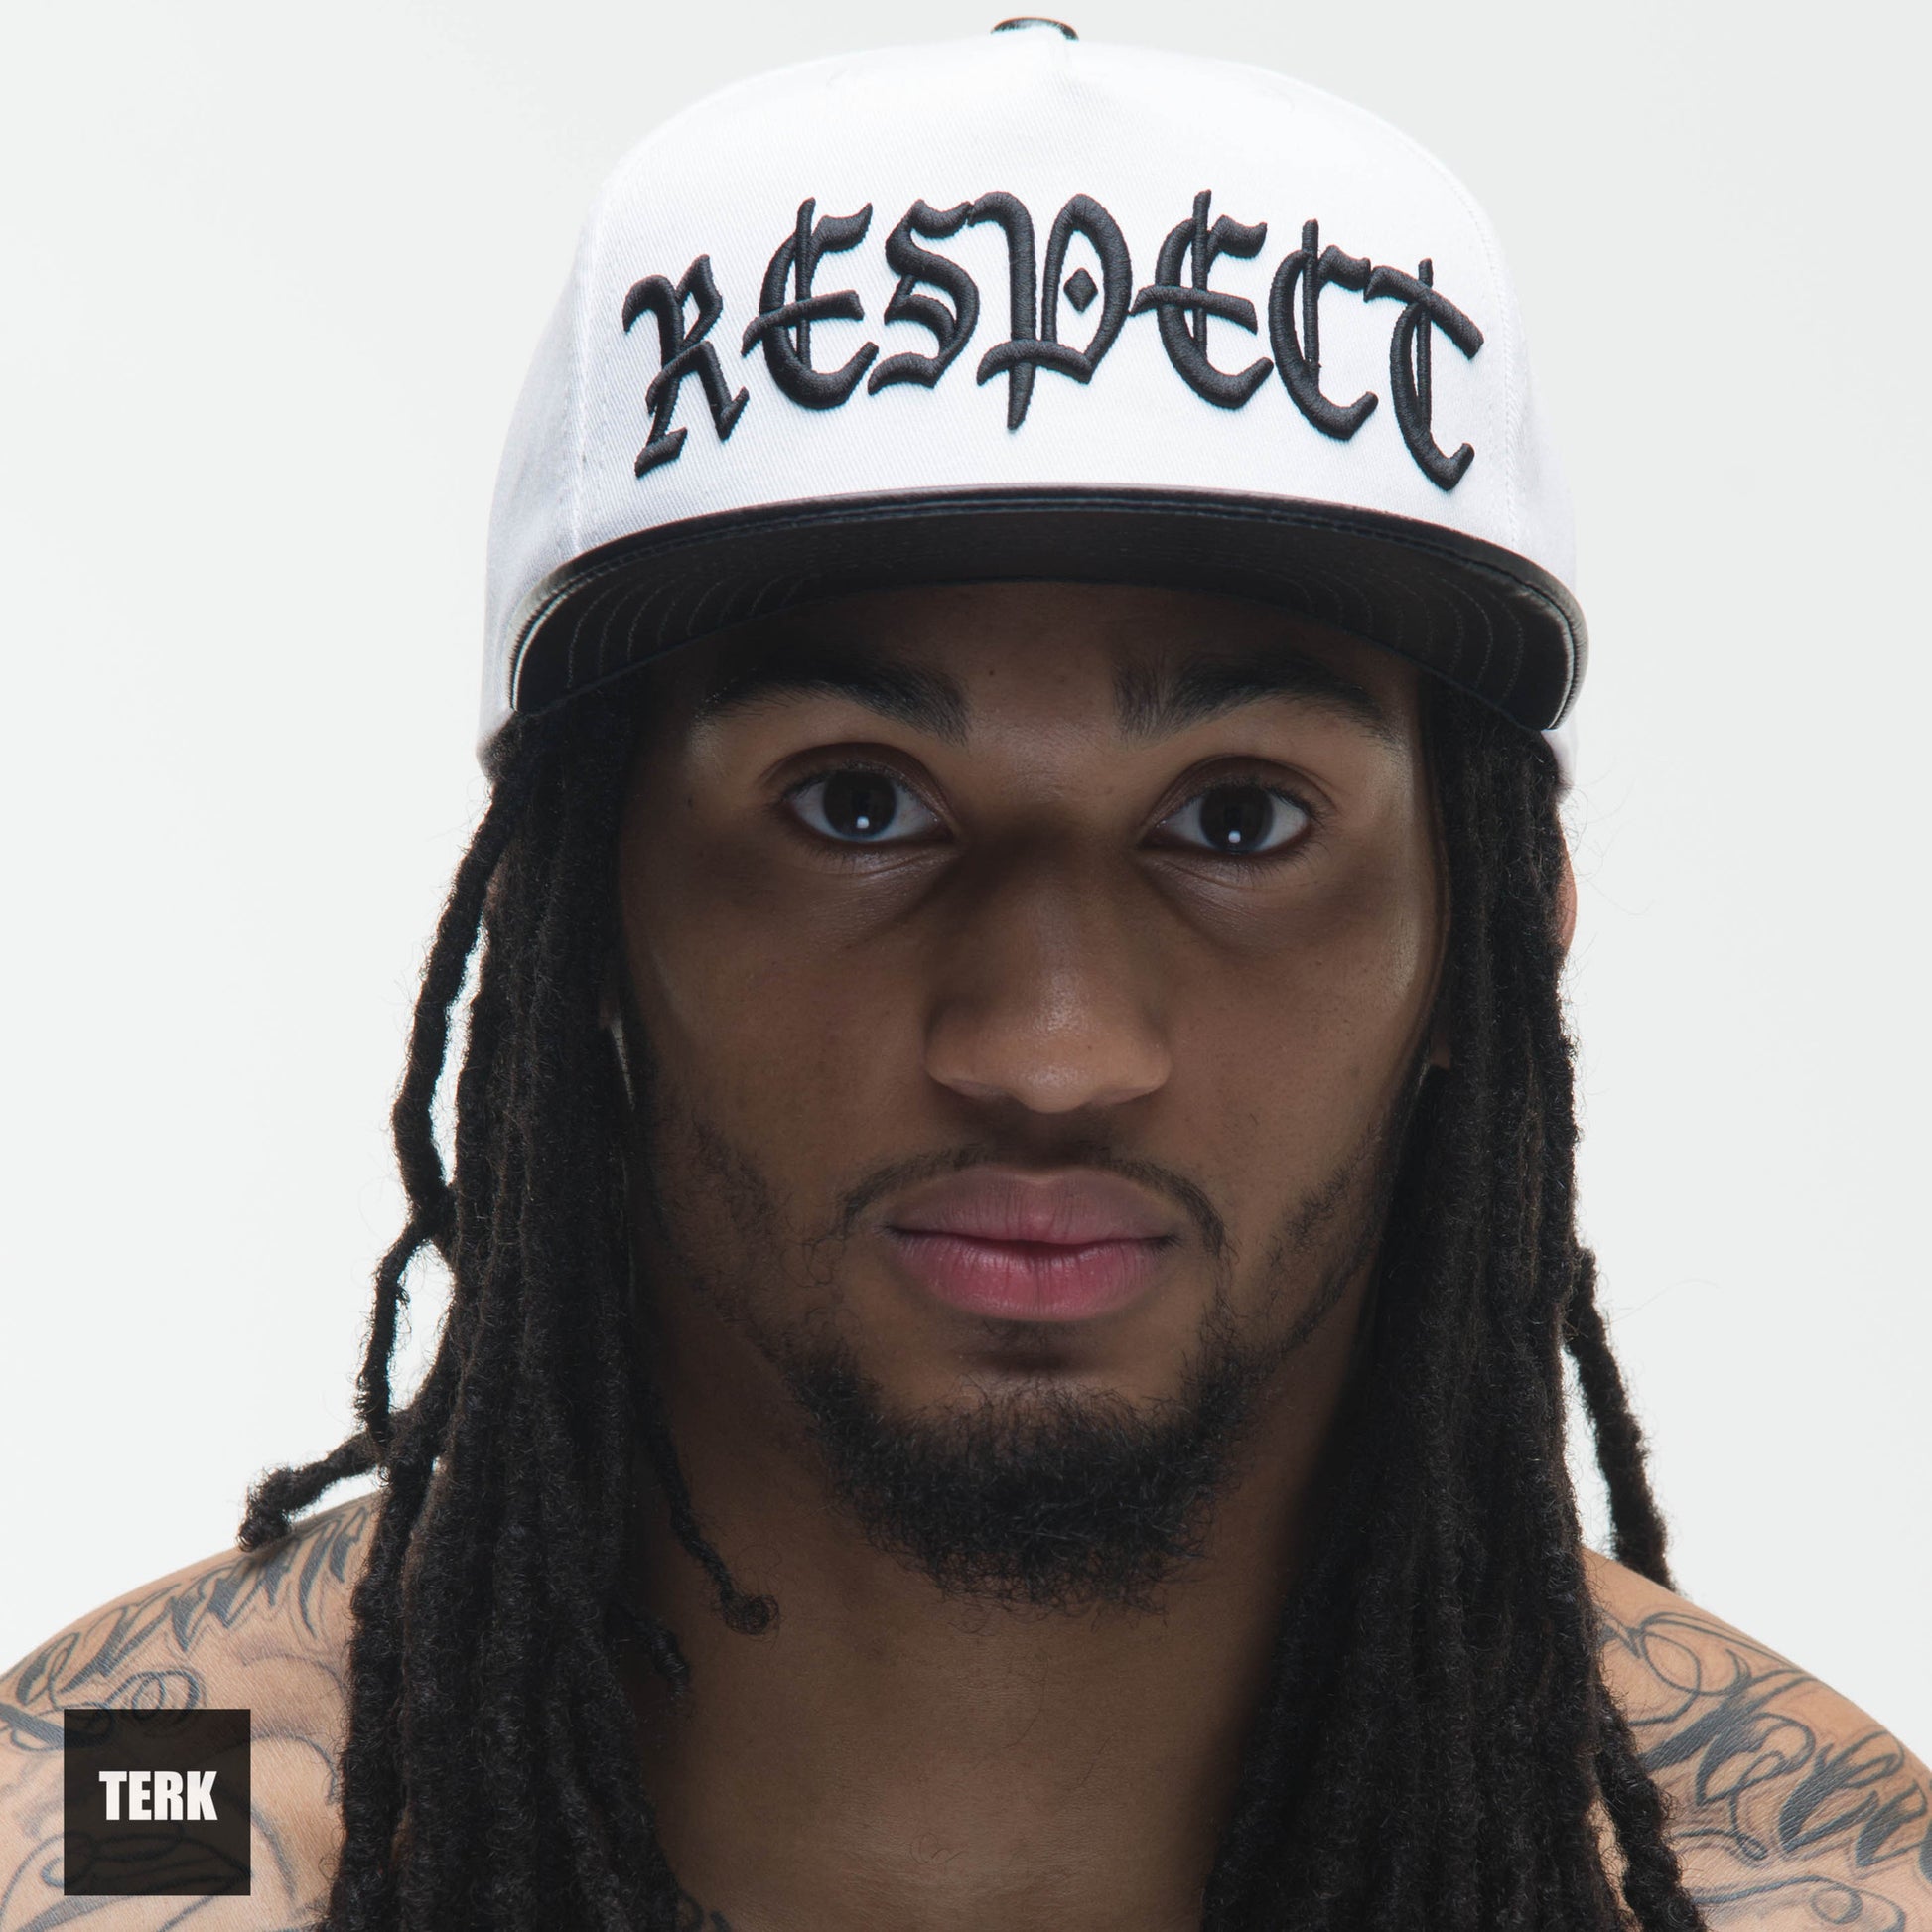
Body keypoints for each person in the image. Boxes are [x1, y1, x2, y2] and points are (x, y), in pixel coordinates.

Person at [4, 23, 1926, 1932]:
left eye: (1238, 818)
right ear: (585, 920)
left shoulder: (1793, 1895)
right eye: (857, 805)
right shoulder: (133, 1848)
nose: (1050, 1045)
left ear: (1490, 939)